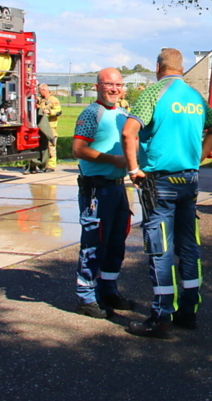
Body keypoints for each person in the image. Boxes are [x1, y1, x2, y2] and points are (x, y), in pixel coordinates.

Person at [122, 48, 212, 338]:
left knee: (160, 250)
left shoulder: (153, 93)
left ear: (157, 67)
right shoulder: (195, 97)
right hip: (189, 181)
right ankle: (188, 312)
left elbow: (129, 132)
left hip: (160, 182)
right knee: (189, 248)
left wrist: (132, 169)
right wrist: (200, 155)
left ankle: (161, 317)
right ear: (182, 68)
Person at [72, 68, 137, 319]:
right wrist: (112, 160)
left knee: (116, 243)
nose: (114, 89)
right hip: (96, 190)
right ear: (97, 86)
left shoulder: (122, 114)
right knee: (94, 243)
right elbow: (78, 149)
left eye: (118, 85)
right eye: (109, 84)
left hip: (118, 188)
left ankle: (108, 290)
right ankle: (86, 298)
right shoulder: (92, 113)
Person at [29, 83, 63, 173]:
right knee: (39, 146)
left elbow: (59, 111)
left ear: (44, 90)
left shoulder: (53, 100)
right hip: (39, 127)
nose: (39, 93)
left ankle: (51, 166)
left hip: (50, 128)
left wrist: (49, 111)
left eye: (39, 91)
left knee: (51, 146)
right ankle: (39, 164)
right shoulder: (40, 100)